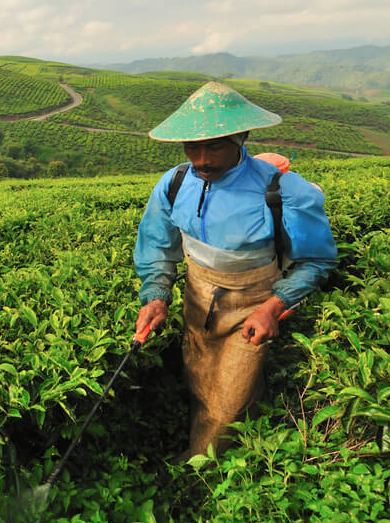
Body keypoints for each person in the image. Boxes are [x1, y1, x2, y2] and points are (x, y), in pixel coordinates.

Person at [133, 82, 338, 459]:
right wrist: (157, 297)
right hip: (197, 303)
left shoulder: (281, 189)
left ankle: (204, 475)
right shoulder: (175, 184)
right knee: (199, 379)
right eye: (193, 147)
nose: (202, 160)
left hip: (252, 306)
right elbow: (157, 248)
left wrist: (272, 307)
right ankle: (214, 451)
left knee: (229, 402)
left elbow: (316, 260)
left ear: (240, 138)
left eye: (214, 147)